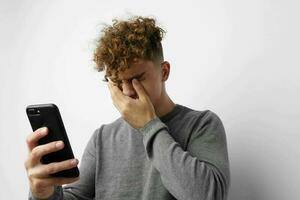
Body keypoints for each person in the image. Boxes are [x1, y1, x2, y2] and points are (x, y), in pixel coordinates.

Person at [25, 16, 230, 200]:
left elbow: (208, 195)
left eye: (137, 79)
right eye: (116, 81)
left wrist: (149, 125)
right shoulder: (102, 138)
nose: (128, 92)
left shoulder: (202, 125)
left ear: (164, 71)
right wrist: (44, 194)